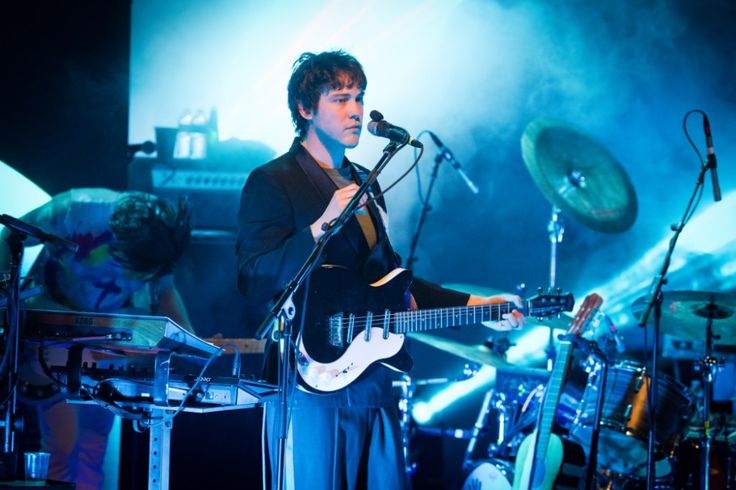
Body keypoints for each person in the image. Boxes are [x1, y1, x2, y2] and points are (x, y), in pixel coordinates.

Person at [236, 50, 524, 490]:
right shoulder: (273, 181)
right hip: (306, 384)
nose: (355, 110)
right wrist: (318, 227)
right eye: (341, 98)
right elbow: (253, 278)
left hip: (371, 382)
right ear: (305, 108)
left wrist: (480, 305)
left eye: (360, 97)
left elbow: (392, 284)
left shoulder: (367, 184)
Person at [0, 188, 192, 490]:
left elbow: (164, 291)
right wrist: (8, 311)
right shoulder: (77, 210)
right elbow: (10, 236)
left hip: (101, 348)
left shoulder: (159, 241)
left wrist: (188, 338)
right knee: (62, 448)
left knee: (92, 447)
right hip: (52, 338)